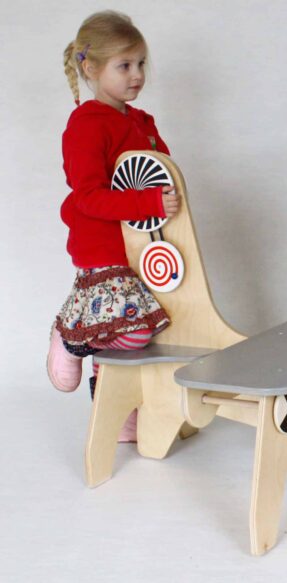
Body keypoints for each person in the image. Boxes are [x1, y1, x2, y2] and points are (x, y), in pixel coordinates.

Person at [47, 11, 180, 442]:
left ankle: (118, 411)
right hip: (104, 245)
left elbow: (158, 171)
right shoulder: (86, 124)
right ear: (90, 68)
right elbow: (88, 195)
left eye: (140, 63)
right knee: (134, 330)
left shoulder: (141, 122)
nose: (137, 75)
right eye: (124, 65)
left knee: (151, 330)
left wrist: (165, 203)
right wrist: (148, 202)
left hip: (144, 246)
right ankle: (71, 337)